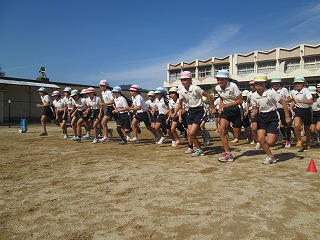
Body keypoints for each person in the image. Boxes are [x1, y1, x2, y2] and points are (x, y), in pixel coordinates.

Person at [251, 73, 291, 164]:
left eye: (261, 83)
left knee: (270, 142)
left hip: (272, 116)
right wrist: (254, 113)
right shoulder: (253, 96)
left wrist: (287, 116)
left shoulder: (271, 93)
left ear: (265, 84)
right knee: (261, 139)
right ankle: (271, 156)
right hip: (261, 117)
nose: (258, 85)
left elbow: (283, 103)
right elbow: (255, 108)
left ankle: (277, 134)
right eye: (256, 83)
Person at [173, 71, 214, 157]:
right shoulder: (181, 91)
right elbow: (180, 104)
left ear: (190, 80)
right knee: (189, 133)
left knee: (191, 133)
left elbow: (208, 95)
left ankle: (200, 147)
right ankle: (199, 147)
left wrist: (212, 107)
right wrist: (175, 112)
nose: (183, 82)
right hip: (190, 111)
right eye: (182, 80)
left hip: (199, 110)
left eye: (185, 80)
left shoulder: (196, 88)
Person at [215, 70, 242, 162]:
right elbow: (221, 98)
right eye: (218, 79)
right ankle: (228, 153)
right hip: (226, 111)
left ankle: (249, 133)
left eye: (221, 79)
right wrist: (221, 107)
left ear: (227, 79)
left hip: (236, 110)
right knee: (222, 130)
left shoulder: (233, 86)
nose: (219, 81)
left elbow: (240, 101)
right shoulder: (217, 88)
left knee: (238, 136)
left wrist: (227, 105)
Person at [288, 77, 313, 149]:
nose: (297, 85)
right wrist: (291, 107)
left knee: (307, 128)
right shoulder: (293, 92)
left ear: (303, 84)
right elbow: (292, 100)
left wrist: (301, 101)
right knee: (296, 125)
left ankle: (308, 141)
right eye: (296, 83)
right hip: (298, 110)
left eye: (299, 83)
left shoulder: (305, 90)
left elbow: (311, 102)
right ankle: (299, 140)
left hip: (307, 110)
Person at [270, 77, 292, 148]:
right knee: (277, 126)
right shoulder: (270, 91)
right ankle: (279, 138)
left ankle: (288, 140)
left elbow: (289, 99)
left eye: (277, 83)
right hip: (275, 110)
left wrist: (284, 101)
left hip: (283, 109)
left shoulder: (284, 90)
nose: (275, 85)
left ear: (280, 84)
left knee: (286, 125)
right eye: (274, 83)